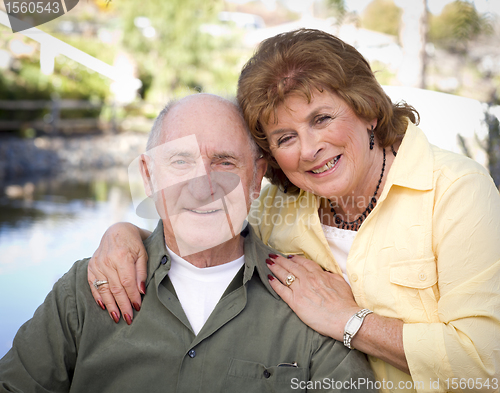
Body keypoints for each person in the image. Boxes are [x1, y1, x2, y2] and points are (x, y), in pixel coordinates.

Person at [87, 30, 500, 392]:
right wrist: (125, 233)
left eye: (321, 119)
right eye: (286, 137)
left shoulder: (456, 191)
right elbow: (202, 236)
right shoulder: (277, 207)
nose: (308, 149)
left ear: (369, 110)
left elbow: (487, 364)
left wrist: (350, 321)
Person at [0, 94, 378, 393]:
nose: (203, 185)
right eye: (180, 162)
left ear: (256, 177)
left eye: (225, 162)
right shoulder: (85, 291)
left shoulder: (313, 301)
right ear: (149, 177)